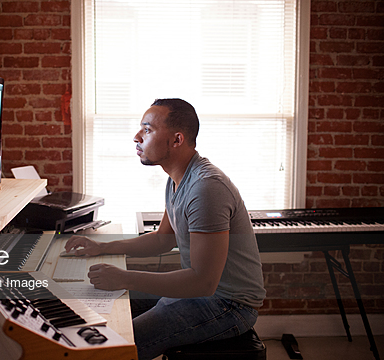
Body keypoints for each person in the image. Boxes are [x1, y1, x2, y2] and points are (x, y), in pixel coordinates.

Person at [65, 98, 266, 360]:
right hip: (202, 295)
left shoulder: (206, 188)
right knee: (103, 307)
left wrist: (124, 277)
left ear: (176, 140)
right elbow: (162, 239)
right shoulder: (177, 180)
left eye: (147, 130)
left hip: (229, 305)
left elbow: (203, 282)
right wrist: (101, 247)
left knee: (111, 345)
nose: (137, 137)